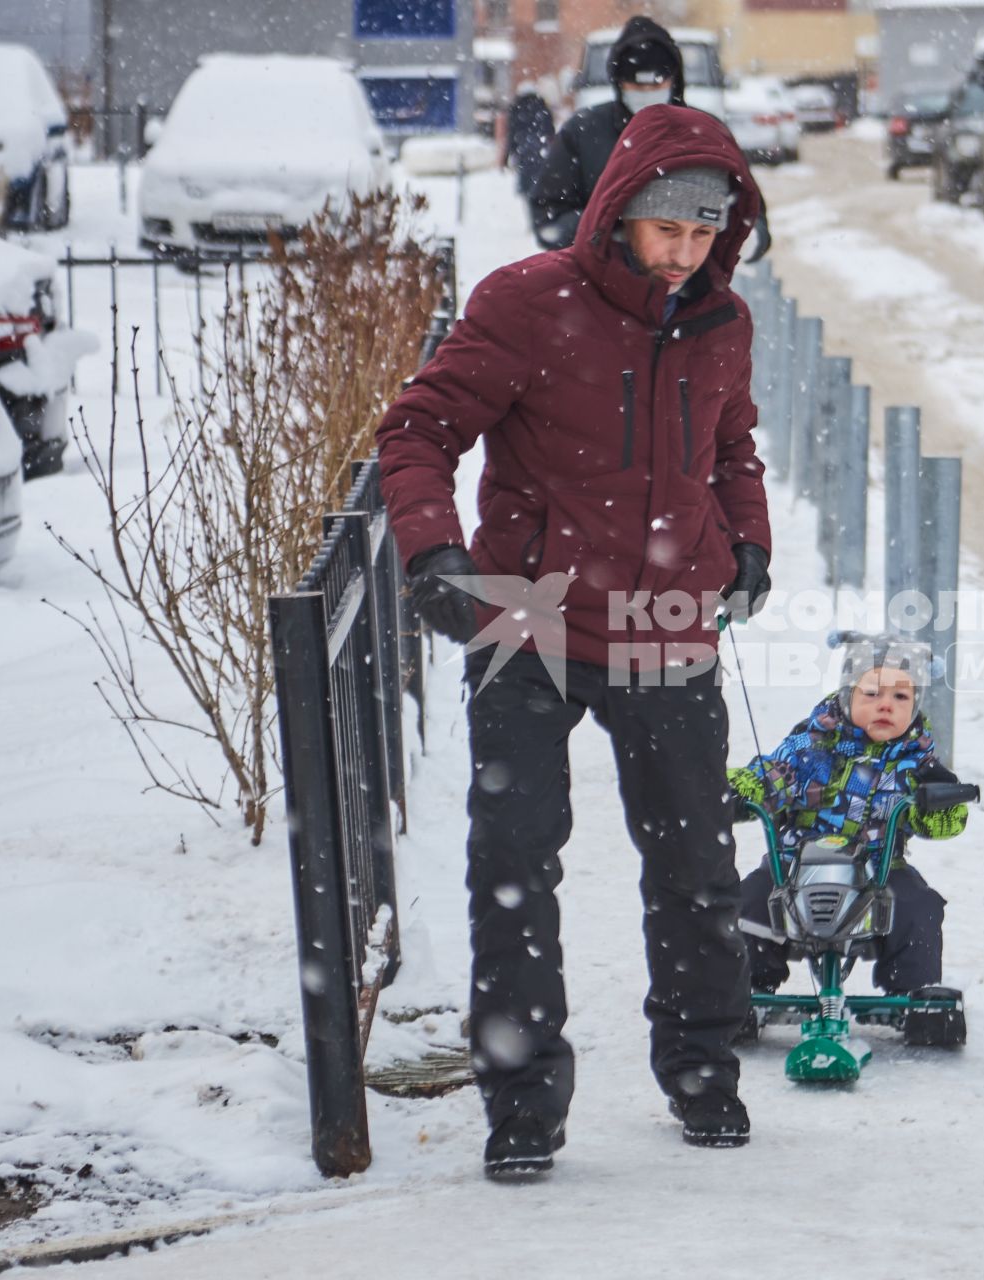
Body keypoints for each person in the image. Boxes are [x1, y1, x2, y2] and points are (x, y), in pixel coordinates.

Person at [373, 103, 774, 1180]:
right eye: (667, 233)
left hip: (666, 621)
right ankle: (520, 1101)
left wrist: (747, 542)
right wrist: (432, 551)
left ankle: (701, 1069)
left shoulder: (720, 321)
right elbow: (418, 427)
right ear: (617, 219)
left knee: (694, 863)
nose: (684, 256)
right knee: (513, 864)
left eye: (704, 236)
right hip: (529, 615)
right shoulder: (525, 303)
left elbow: (732, 444)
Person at [728, 635, 970, 996]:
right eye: (872, 694)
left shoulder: (916, 765)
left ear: (916, 705)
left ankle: (914, 993)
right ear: (847, 695)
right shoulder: (809, 748)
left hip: (879, 869)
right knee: (749, 903)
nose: (886, 705)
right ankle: (743, 987)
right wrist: (735, 792)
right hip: (793, 865)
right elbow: (769, 778)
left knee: (919, 907)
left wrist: (941, 799)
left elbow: (942, 822)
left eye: (900, 697)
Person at [530, 17, 770, 259]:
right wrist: (613, 226)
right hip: (602, 283)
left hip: (690, 285)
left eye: (656, 85)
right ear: (619, 83)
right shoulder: (583, 131)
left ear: (674, 82)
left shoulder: (707, 131)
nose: (646, 95)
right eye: (636, 87)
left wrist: (733, 237)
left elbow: (751, 212)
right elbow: (549, 219)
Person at [502, 87, 555, 196]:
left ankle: (531, 201)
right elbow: (550, 131)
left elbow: (511, 134)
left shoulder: (516, 109)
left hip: (523, 151)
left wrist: (508, 155)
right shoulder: (542, 108)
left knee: (527, 188)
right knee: (540, 185)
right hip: (541, 150)